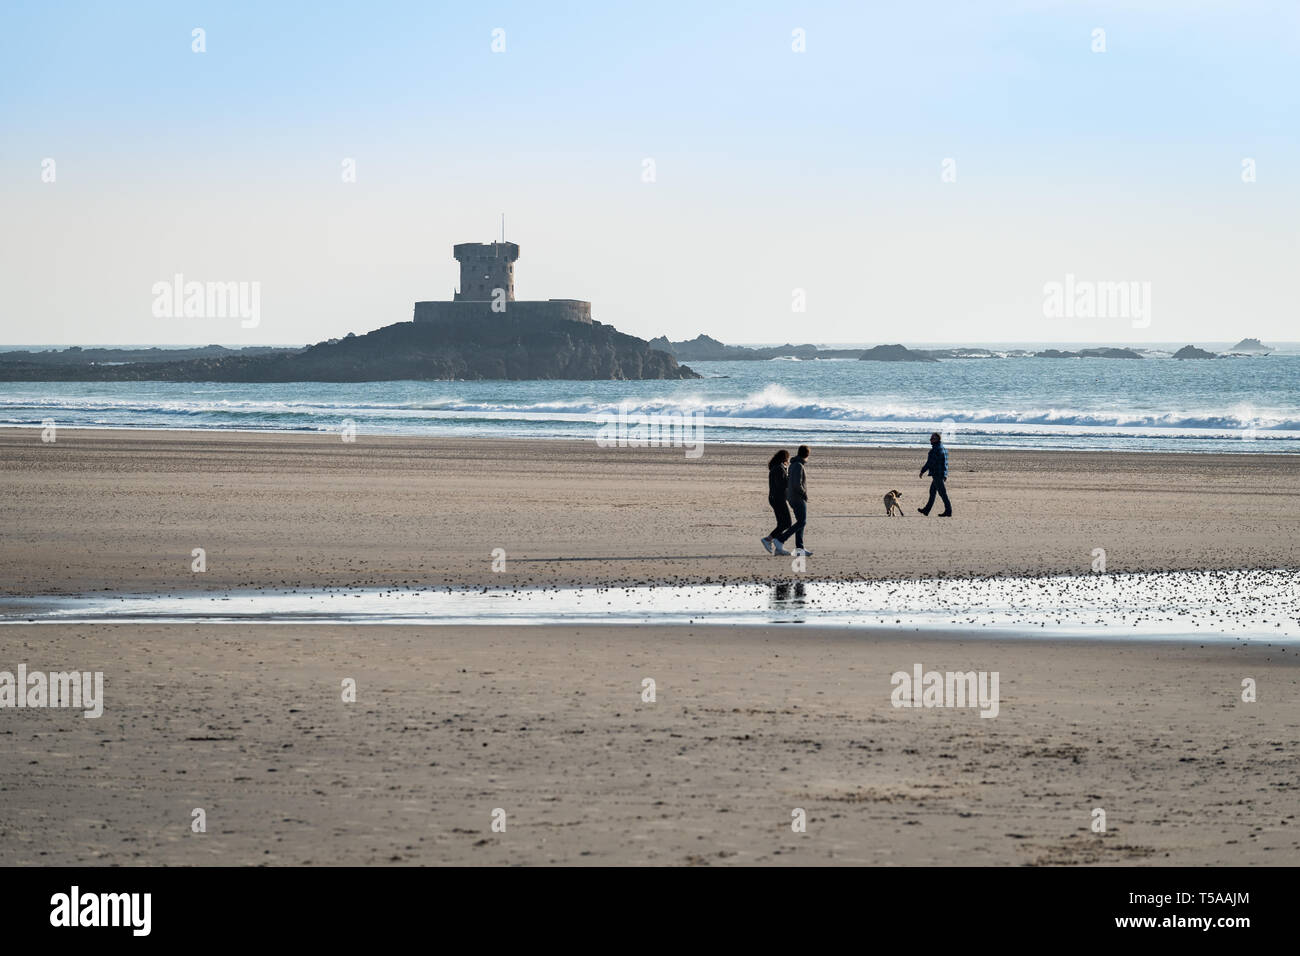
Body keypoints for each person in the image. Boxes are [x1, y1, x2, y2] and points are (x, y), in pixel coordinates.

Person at [779, 445, 813, 556]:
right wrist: (804, 493)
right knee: (802, 522)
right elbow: (796, 484)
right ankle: (781, 539)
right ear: (807, 455)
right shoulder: (798, 466)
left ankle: (799, 548)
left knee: (800, 522)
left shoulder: (793, 464)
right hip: (797, 497)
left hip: (792, 497)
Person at [760, 449, 793, 555]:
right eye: (787, 458)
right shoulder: (779, 468)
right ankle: (768, 539)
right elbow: (783, 484)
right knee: (787, 522)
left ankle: (779, 548)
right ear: (784, 458)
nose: (788, 460)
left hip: (774, 498)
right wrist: (789, 476)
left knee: (781, 523)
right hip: (777, 498)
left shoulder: (776, 467)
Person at [917, 432, 952, 517]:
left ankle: (948, 511)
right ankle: (926, 510)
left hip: (937, 475)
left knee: (942, 493)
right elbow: (946, 463)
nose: (930, 440)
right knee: (932, 492)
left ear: (937, 439)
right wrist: (945, 474)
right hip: (940, 474)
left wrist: (922, 471)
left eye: (932, 438)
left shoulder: (936, 449)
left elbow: (930, 463)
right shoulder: (943, 448)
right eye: (931, 438)